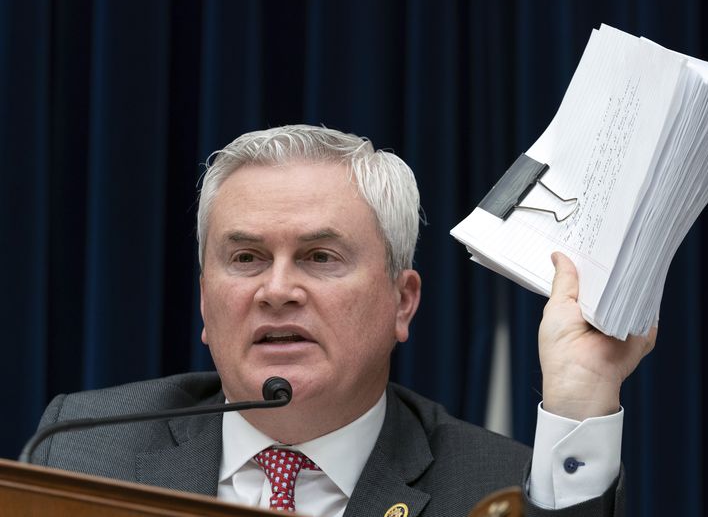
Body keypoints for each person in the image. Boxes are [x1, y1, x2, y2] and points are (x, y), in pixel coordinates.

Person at [30, 125, 655, 516]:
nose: (277, 290)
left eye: (319, 258)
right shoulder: (83, 451)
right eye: (245, 258)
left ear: (402, 302)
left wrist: (578, 402)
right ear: (203, 302)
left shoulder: (496, 489)